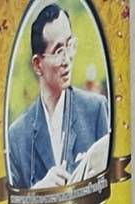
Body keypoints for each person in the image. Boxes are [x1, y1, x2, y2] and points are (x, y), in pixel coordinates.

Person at [6, 4, 110, 193]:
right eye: (58, 51)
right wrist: (38, 194)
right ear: (37, 65)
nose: (67, 59)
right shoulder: (17, 136)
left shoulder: (95, 111)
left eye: (69, 45)